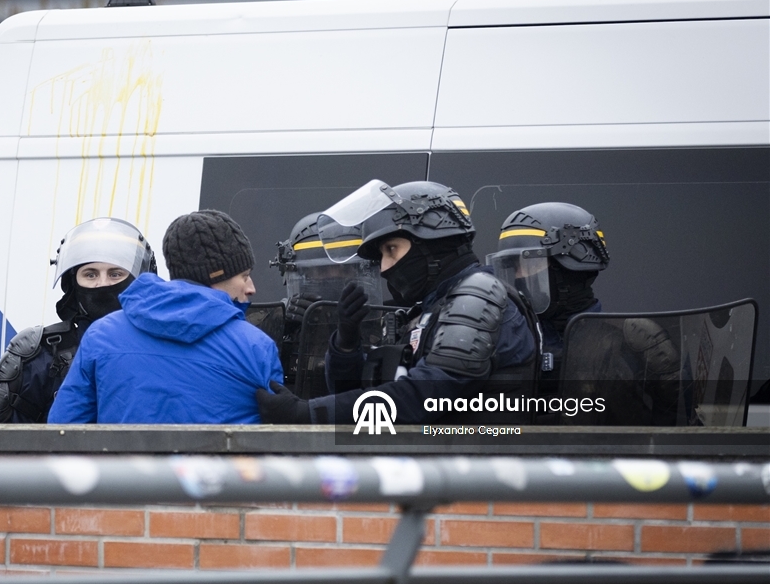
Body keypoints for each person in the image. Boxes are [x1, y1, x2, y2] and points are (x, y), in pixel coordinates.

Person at [255, 180, 539, 426]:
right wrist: (346, 344)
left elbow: (422, 397)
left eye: (391, 249)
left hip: (480, 474)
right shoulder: (433, 307)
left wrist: (309, 413)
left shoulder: (478, 295)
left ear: (432, 242)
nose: (384, 267)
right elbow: (366, 391)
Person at [49, 210, 283, 424]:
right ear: (215, 276)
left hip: (124, 471)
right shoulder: (257, 346)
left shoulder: (101, 335)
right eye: (244, 276)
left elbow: (64, 430)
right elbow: (275, 443)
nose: (251, 287)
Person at [0, 217, 157, 423]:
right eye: (90, 274)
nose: (102, 284)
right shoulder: (40, 354)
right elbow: (8, 441)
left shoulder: (162, 344)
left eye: (115, 274)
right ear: (73, 284)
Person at [487, 202, 609, 391]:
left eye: (530, 265)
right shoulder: (504, 340)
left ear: (571, 269)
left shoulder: (621, 346)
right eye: (514, 267)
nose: (519, 276)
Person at [268, 211, 382, 390]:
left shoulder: (381, 320)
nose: (333, 279)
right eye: (322, 272)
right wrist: (279, 325)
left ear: (358, 271)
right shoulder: (283, 317)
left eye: (344, 270)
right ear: (303, 275)